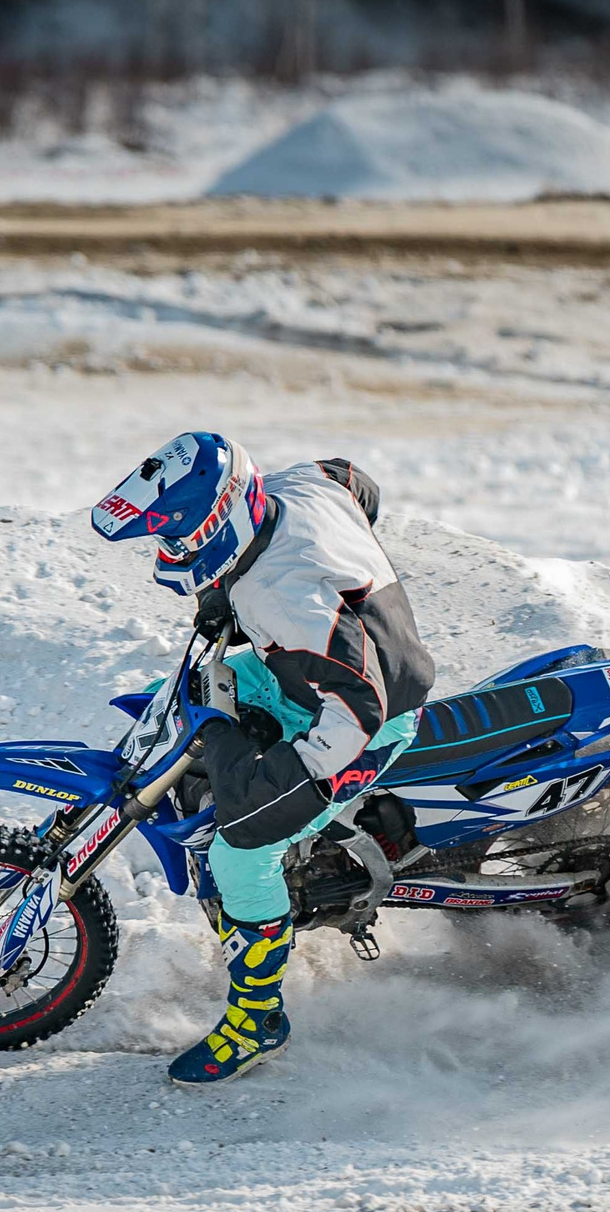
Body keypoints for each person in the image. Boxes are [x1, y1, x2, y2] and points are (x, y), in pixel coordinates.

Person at [91, 432, 435, 1085]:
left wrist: (268, 781)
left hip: (369, 721)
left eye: (180, 540)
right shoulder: (295, 485)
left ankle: (257, 1019)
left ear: (219, 524)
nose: (172, 554)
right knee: (197, 694)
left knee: (239, 847)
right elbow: (355, 480)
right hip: (323, 674)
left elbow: (360, 709)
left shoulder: (284, 597)